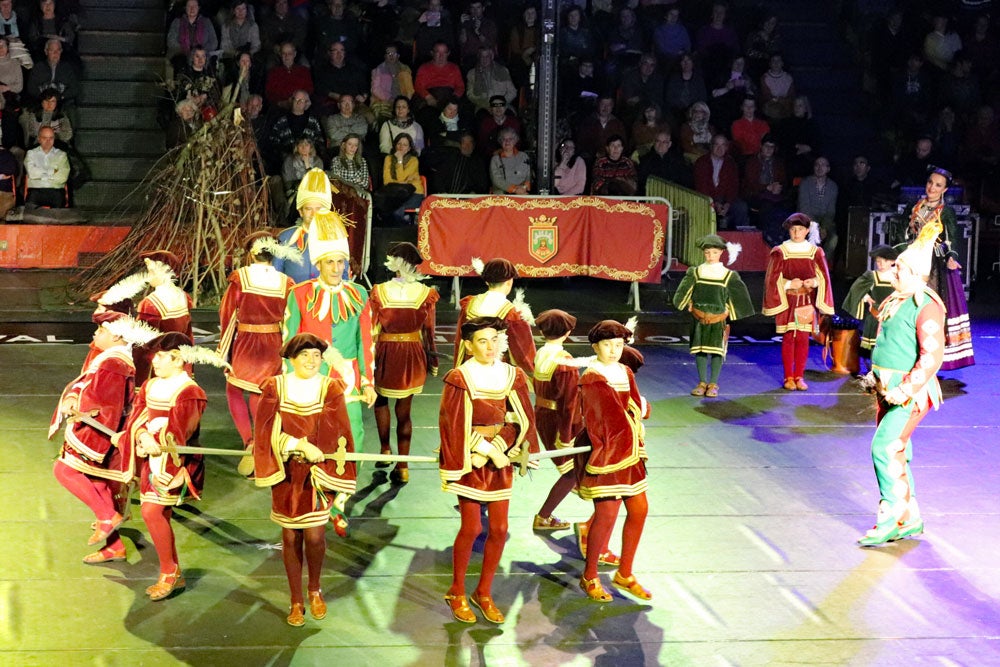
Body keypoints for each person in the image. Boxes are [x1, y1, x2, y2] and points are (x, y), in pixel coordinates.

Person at [253, 333, 357, 625]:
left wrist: (318, 451)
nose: (311, 361)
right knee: (289, 536)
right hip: (285, 472)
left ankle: (314, 589)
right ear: (291, 359)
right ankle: (296, 599)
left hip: (317, 473)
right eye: (304, 356)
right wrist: (297, 445)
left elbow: (338, 430)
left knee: (314, 535)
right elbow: (264, 429)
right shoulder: (275, 386)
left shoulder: (330, 387)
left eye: (316, 356)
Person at [439, 316, 538, 624]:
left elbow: (521, 420)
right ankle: (456, 590)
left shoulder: (512, 375)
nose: (490, 346)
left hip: (500, 460)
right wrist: (482, 450)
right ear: (469, 346)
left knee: (499, 530)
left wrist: (499, 449)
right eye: (482, 341)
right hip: (469, 460)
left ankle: (484, 591)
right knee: (472, 528)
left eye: (494, 339)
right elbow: (453, 425)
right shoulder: (460, 377)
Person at [857, 221, 945, 546]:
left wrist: (904, 389)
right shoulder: (897, 300)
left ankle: (891, 517)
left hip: (910, 393)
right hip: (887, 388)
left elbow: (932, 357)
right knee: (899, 450)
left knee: (884, 447)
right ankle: (911, 516)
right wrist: (874, 377)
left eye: (899, 269)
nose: (893, 273)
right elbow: (886, 343)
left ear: (915, 273)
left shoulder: (927, 306)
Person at [282, 214, 376, 501]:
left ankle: (343, 494)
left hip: (348, 378)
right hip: (310, 376)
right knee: (314, 434)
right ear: (318, 264)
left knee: (354, 434)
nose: (336, 268)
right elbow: (289, 342)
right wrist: (289, 380)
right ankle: (318, 488)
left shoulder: (359, 293)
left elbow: (366, 341)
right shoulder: (299, 294)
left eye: (340, 262)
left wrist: (368, 382)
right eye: (329, 262)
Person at [49, 313, 155, 564]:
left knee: (63, 471)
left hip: (99, 435)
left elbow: (108, 408)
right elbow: (85, 384)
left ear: (117, 335)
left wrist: (89, 439)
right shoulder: (109, 359)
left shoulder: (115, 364)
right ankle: (114, 546)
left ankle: (107, 517)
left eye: (101, 331)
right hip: (98, 430)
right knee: (97, 483)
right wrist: (74, 397)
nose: (95, 334)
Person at [123, 332, 219, 601]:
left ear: (179, 360)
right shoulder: (152, 385)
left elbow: (180, 434)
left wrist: (155, 441)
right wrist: (142, 436)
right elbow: (138, 415)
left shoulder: (189, 393)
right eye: (156, 356)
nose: (155, 361)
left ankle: (170, 572)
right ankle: (172, 571)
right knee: (155, 512)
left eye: (163, 357)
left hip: (177, 463)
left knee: (152, 511)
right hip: (152, 457)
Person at [575, 320, 652, 603]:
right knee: (606, 515)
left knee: (639, 509)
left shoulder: (625, 371)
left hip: (629, 450)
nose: (614, 350)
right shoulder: (592, 377)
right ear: (595, 347)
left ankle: (625, 573)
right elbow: (607, 419)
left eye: (619, 345)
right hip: (605, 451)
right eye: (607, 345)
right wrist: (637, 416)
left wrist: (640, 412)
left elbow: (632, 403)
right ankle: (590, 575)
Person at [218, 231, 298, 468]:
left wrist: (223, 352)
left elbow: (228, 316)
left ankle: (250, 441)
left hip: (247, 341)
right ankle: (262, 441)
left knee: (234, 389)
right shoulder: (286, 283)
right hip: (273, 342)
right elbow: (289, 319)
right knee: (261, 392)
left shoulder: (240, 278)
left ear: (252, 253)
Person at [368, 242, 439, 485]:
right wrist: (433, 359)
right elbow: (430, 330)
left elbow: (372, 327)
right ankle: (403, 465)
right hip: (411, 353)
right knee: (405, 412)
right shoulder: (426, 293)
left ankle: (385, 448)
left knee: (380, 400)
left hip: (386, 350)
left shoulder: (379, 291)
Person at [902, 167, 974, 370]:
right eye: (930, 182)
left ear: (945, 190)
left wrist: (951, 257)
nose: (932, 187)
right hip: (912, 262)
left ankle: (931, 357)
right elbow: (903, 233)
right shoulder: (915, 206)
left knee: (930, 308)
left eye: (938, 185)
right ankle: (909, 352)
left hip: (934, 265)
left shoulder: (945, 211)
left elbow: (952, 239)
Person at [672, 234, 754, 397]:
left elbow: (738, 297)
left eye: (714, 253)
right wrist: (687, 303)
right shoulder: (696, 272)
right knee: (700, 350)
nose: (710, 256)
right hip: (699, 317)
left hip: (718, 319)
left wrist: (728, 311)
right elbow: (683, 293)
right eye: (708, 252)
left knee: (716, 351)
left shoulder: (728, 275)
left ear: (721, 253)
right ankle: (702, 382)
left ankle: (713, 383)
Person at [762, 213, 835, 390]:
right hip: (788, 301)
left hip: (806, 301)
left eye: (800, 229)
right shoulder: (781, 251)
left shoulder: (814, 252)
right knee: (788, 338)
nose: (796, 233)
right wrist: (788, 283)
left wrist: (814, 282)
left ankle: (799, 376)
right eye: (793, 229)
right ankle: (788, 377)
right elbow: (772, 278)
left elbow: (823, 276)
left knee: (803, 338)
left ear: (807, 230)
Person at [531, 309, 585, 532]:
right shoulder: (565, 363)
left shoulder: (541, 353)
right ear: (568, 332)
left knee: (572, 469)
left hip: (542, 414)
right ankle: (544, 516)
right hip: (559, 420)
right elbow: (568, 404)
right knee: (571, 471)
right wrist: (565, 437)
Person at [455, 258, 535, 376]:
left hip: (470, 364)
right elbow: (522, 350)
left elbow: (460, 338)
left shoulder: (470, 303)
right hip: (496, 367)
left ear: (487, 282)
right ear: (509, 282)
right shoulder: (511, 313)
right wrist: (533, 372)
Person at [273, 169, 332, 284]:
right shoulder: (286, 237)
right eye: (308, 209)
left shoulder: (334, 237)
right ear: (300, 212)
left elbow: (344, 277)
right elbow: (276, 275)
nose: (314, 214)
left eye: (318, 209)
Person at [842, 244, 898, 360]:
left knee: (890, 344)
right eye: (878, 261)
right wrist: (866, 297)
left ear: (892, 261)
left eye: (885, 261)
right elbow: (856, 289)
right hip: (875, 316)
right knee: (875, 345)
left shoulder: (897, 276)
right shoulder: (872, 276)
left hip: (892, 315)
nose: (881, 264)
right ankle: (873, 370)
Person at [693, 134, 748, 229]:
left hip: (725, 199)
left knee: (741, 207)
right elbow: (701, 187)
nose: (720, 148)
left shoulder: (731, 163)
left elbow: (734, 186)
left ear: (726, 147)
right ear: (711, 146)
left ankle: (740, 237)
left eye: (723, 145)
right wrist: (714, 203)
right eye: (717, 145)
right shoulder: (702, 162)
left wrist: (727, 203)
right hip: (706, 198)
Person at [797, 156, 839, 262]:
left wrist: (824, 227)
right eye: (817, 165)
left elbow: (831, 211)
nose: (820, 168)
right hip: (807, 219)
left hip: (824, 219)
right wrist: (816, 227)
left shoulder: (833, 186)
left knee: (834, 237)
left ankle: (821, 263)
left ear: (828, 169)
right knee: (812, 235)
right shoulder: (805, 183)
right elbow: (804, 208)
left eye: (823, 165)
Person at [378, 132, 424, 224]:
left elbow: (400, 179)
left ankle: (401, 230)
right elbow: (387, 181)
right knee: (387, 207)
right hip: (396, 193)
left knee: (396, 208)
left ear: (409, 148)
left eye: (405, 145)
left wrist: (399, 160)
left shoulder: (413, 160)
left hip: (414, 193)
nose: (401, 147)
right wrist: (403, 182)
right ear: (395, 145)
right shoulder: (388, 158)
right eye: (399, 144)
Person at [24, 125, 69, 207]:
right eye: (45, 138)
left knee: (59, 215)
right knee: (29, 215)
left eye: (51, 138)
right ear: (39, 139)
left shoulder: (61, 155)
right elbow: (32, 173)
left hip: (56, 191)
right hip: (36, 191)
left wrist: (41, 175)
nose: (48, 141)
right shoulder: (31, 153)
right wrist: (52, 172)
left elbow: (62, 177)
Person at [370, 43, 413, 123]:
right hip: (382, 102)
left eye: (394, 53)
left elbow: (409, 90)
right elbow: (375, 89)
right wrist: (389, 99)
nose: (391, 56)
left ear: (398, 56)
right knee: (383, 119)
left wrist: (403, 101)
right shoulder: (378, 70)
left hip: (401, 102)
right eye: (389, 53)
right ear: (385, 56)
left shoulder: (405, 69)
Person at [414, 41, 464, 110]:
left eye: (444, 52)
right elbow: (418, 86)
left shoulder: (454, 68)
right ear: (432, 53)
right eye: (438, 52)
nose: (441, 56)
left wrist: (454, 98)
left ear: (448, 53)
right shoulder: (424, 68)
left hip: (449, 97)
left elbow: (460, 87)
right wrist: (428, 97)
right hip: (430, 97)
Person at [465, 46, 516, 113]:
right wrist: (486, 105)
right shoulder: (472, 73)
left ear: (492, 57)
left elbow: (512, 92)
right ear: (479, 58)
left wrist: (499, 104)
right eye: (482, 57)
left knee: (510, 117)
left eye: (487, 56)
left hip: (503, 105)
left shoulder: (503, 71)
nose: (484, 59)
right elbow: (470, 95)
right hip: (484, 107)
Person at [489, 127, 531, 194]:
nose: (507, 141)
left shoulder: (524, 156)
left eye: (510, 139)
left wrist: (523, 188)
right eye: (504, 139)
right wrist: (514, 189)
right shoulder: (495, 159)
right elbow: (496, 180)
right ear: (500, 141)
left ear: (515, 141)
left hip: (522, 193)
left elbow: (528, 176)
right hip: (501, 196)